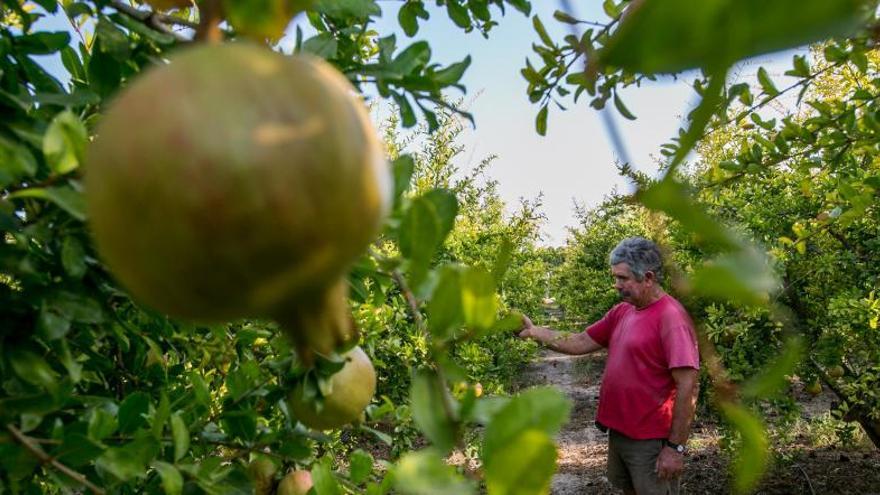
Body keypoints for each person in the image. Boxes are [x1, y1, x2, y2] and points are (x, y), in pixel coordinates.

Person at [518, 237, 699, 495]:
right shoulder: (623, 311)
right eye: (615, 277)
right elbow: (580, 342)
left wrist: (675, 448)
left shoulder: (671, 318)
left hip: (650, 439)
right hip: (622, 432)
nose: (616, 285)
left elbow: (688, 385)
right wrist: (534, 332)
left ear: (647, 277)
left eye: (623, 278)